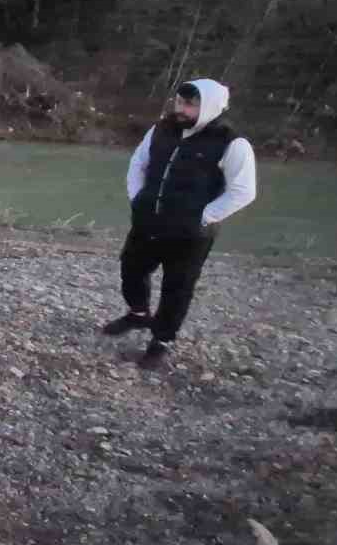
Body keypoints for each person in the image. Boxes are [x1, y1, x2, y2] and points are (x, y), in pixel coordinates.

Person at [101, 79, 257, 370]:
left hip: (191, 233)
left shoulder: (232, 143)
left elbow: (244, 190)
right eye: (180, 102)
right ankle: (138, 313)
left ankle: (161, 341)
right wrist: (138, 197)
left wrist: (204, 217)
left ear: (210, 106)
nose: (181, 109)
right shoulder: (161, 128)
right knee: (131, 268)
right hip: (148, 220)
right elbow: (138, 164)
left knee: (178, 287)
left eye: (190, 104)